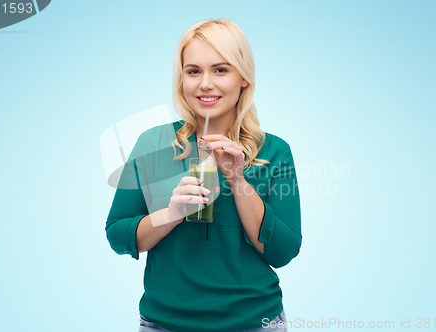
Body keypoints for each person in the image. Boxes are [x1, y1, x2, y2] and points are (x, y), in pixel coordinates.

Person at [106, 18, 301, 332]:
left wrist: (238, 180)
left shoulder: (274, 151)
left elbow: (283, 251)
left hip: (254, 323)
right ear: (181, 78)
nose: (205, 84)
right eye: (193, 71)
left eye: (221, 70)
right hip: (164, 323)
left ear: (244, 78)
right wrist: (171, 214)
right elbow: (118, 235)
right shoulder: (152, 144)